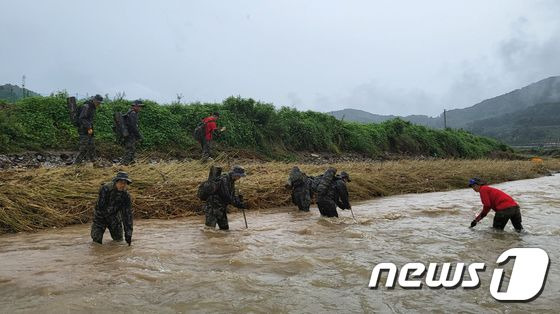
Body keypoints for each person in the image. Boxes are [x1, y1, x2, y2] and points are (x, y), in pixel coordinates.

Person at [91, 171, 134, 245]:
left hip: (114, 217)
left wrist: (128, 233)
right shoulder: (106, 188)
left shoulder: (126, 195)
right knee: (96, 242)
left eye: (125, 183)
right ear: (116, 182)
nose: (123, 185)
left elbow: (127, 215)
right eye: (121, 182)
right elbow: (101, 207)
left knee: (119, 241)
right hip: (100, 217)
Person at [205, 165, 247, 230]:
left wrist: (238, 201)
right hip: (213, 207)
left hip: (222, 207)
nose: (240, 177)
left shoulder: (231, 180)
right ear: (235, 174)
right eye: (239, 175)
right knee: (209, 230)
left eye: (241, 176)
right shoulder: (224, 179)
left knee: (225, 230)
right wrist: (237, 204)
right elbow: (226, 196)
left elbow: (231, 195)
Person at [74, 94, 103, 164]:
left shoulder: (92, 107)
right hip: (84, 130)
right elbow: (82, 118)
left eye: (100, 103)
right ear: (94, 100)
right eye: (98, 103)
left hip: (88, 130)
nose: (99, 104)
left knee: (92, 147)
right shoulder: (86, 106)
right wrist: (89, 127)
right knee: (83, 148)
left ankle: (95, 163)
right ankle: (76, 164)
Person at [121, 100, 144, 165]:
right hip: (130, 134)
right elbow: (133, 126)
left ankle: (131, 162)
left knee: (132, 148)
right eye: (139, 106)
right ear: (135, 106)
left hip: (129, 133)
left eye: (141, 107)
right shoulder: (133, 113)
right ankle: (125, 164)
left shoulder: (130, 112)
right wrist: (138, 135)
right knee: (130, 149)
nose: (140, 108)